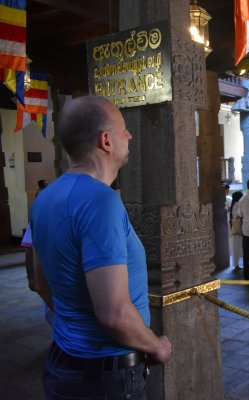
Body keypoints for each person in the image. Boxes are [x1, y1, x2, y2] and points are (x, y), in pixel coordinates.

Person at [29, 96, 172, 399]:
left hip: (64, 363)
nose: (130, 136)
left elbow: (41, 284)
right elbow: (114, 314)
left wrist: (75, 328)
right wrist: (156, 345)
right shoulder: (100, 201)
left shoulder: (44, 199)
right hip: (105, 377)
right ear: (106, 141)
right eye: (124, 130)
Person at [230, 191, 244, 272]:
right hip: (238, 228)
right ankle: (236, 265)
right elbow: (239, 216)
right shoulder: (238, 205)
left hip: (235, 228)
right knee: (238, 247)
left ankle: (236, 264)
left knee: (236, 247)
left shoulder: (234, 205)